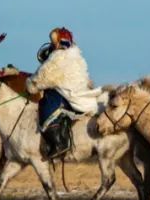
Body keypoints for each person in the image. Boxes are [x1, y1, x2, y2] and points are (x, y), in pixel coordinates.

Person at [26, 27, 101, 160]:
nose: (52, 44)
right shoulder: (75, 54)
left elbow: (43, 76)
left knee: (47, 105)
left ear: (59, 42)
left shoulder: (58, 57)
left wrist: (31, 84)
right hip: (76, 90)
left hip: (67, 93)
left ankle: (59, 144)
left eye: (54, 41)